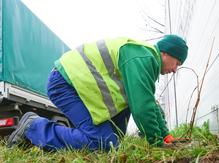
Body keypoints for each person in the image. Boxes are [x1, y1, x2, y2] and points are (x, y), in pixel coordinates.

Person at [7, 34, 188, 151]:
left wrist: (165, 135)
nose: (175, 69)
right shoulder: (143, 58)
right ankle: (34, 126)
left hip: (73, 84)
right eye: (177, 63)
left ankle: (46, 140)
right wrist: (157, 143)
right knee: (104, 144)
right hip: (65, 83)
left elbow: (148, 102)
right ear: (165, 53)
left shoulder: (143, 59)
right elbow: (142, 107)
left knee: (112, 142)